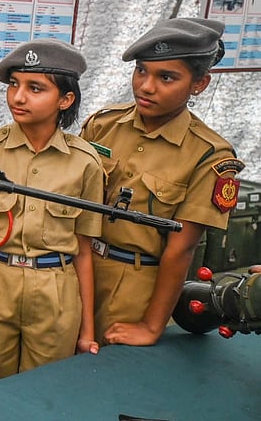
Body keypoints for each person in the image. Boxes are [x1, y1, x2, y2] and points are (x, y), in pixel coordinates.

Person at [0, 38, 102, 387]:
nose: (18, 97)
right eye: (14, 85)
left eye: (35, 88)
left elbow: (84, 252)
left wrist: (87, 331)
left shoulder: (86, 163)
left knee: (45, 396)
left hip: (55, 293)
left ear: (66, 99)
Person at [81, 18, 243, 346]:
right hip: (77, 268)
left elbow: (181, 250)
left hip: (135, 288)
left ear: (199, 84)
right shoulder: (103, 125)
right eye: (141, 71)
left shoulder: (209, 155)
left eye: (166, 77)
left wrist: (151, 326)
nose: (146, 86)